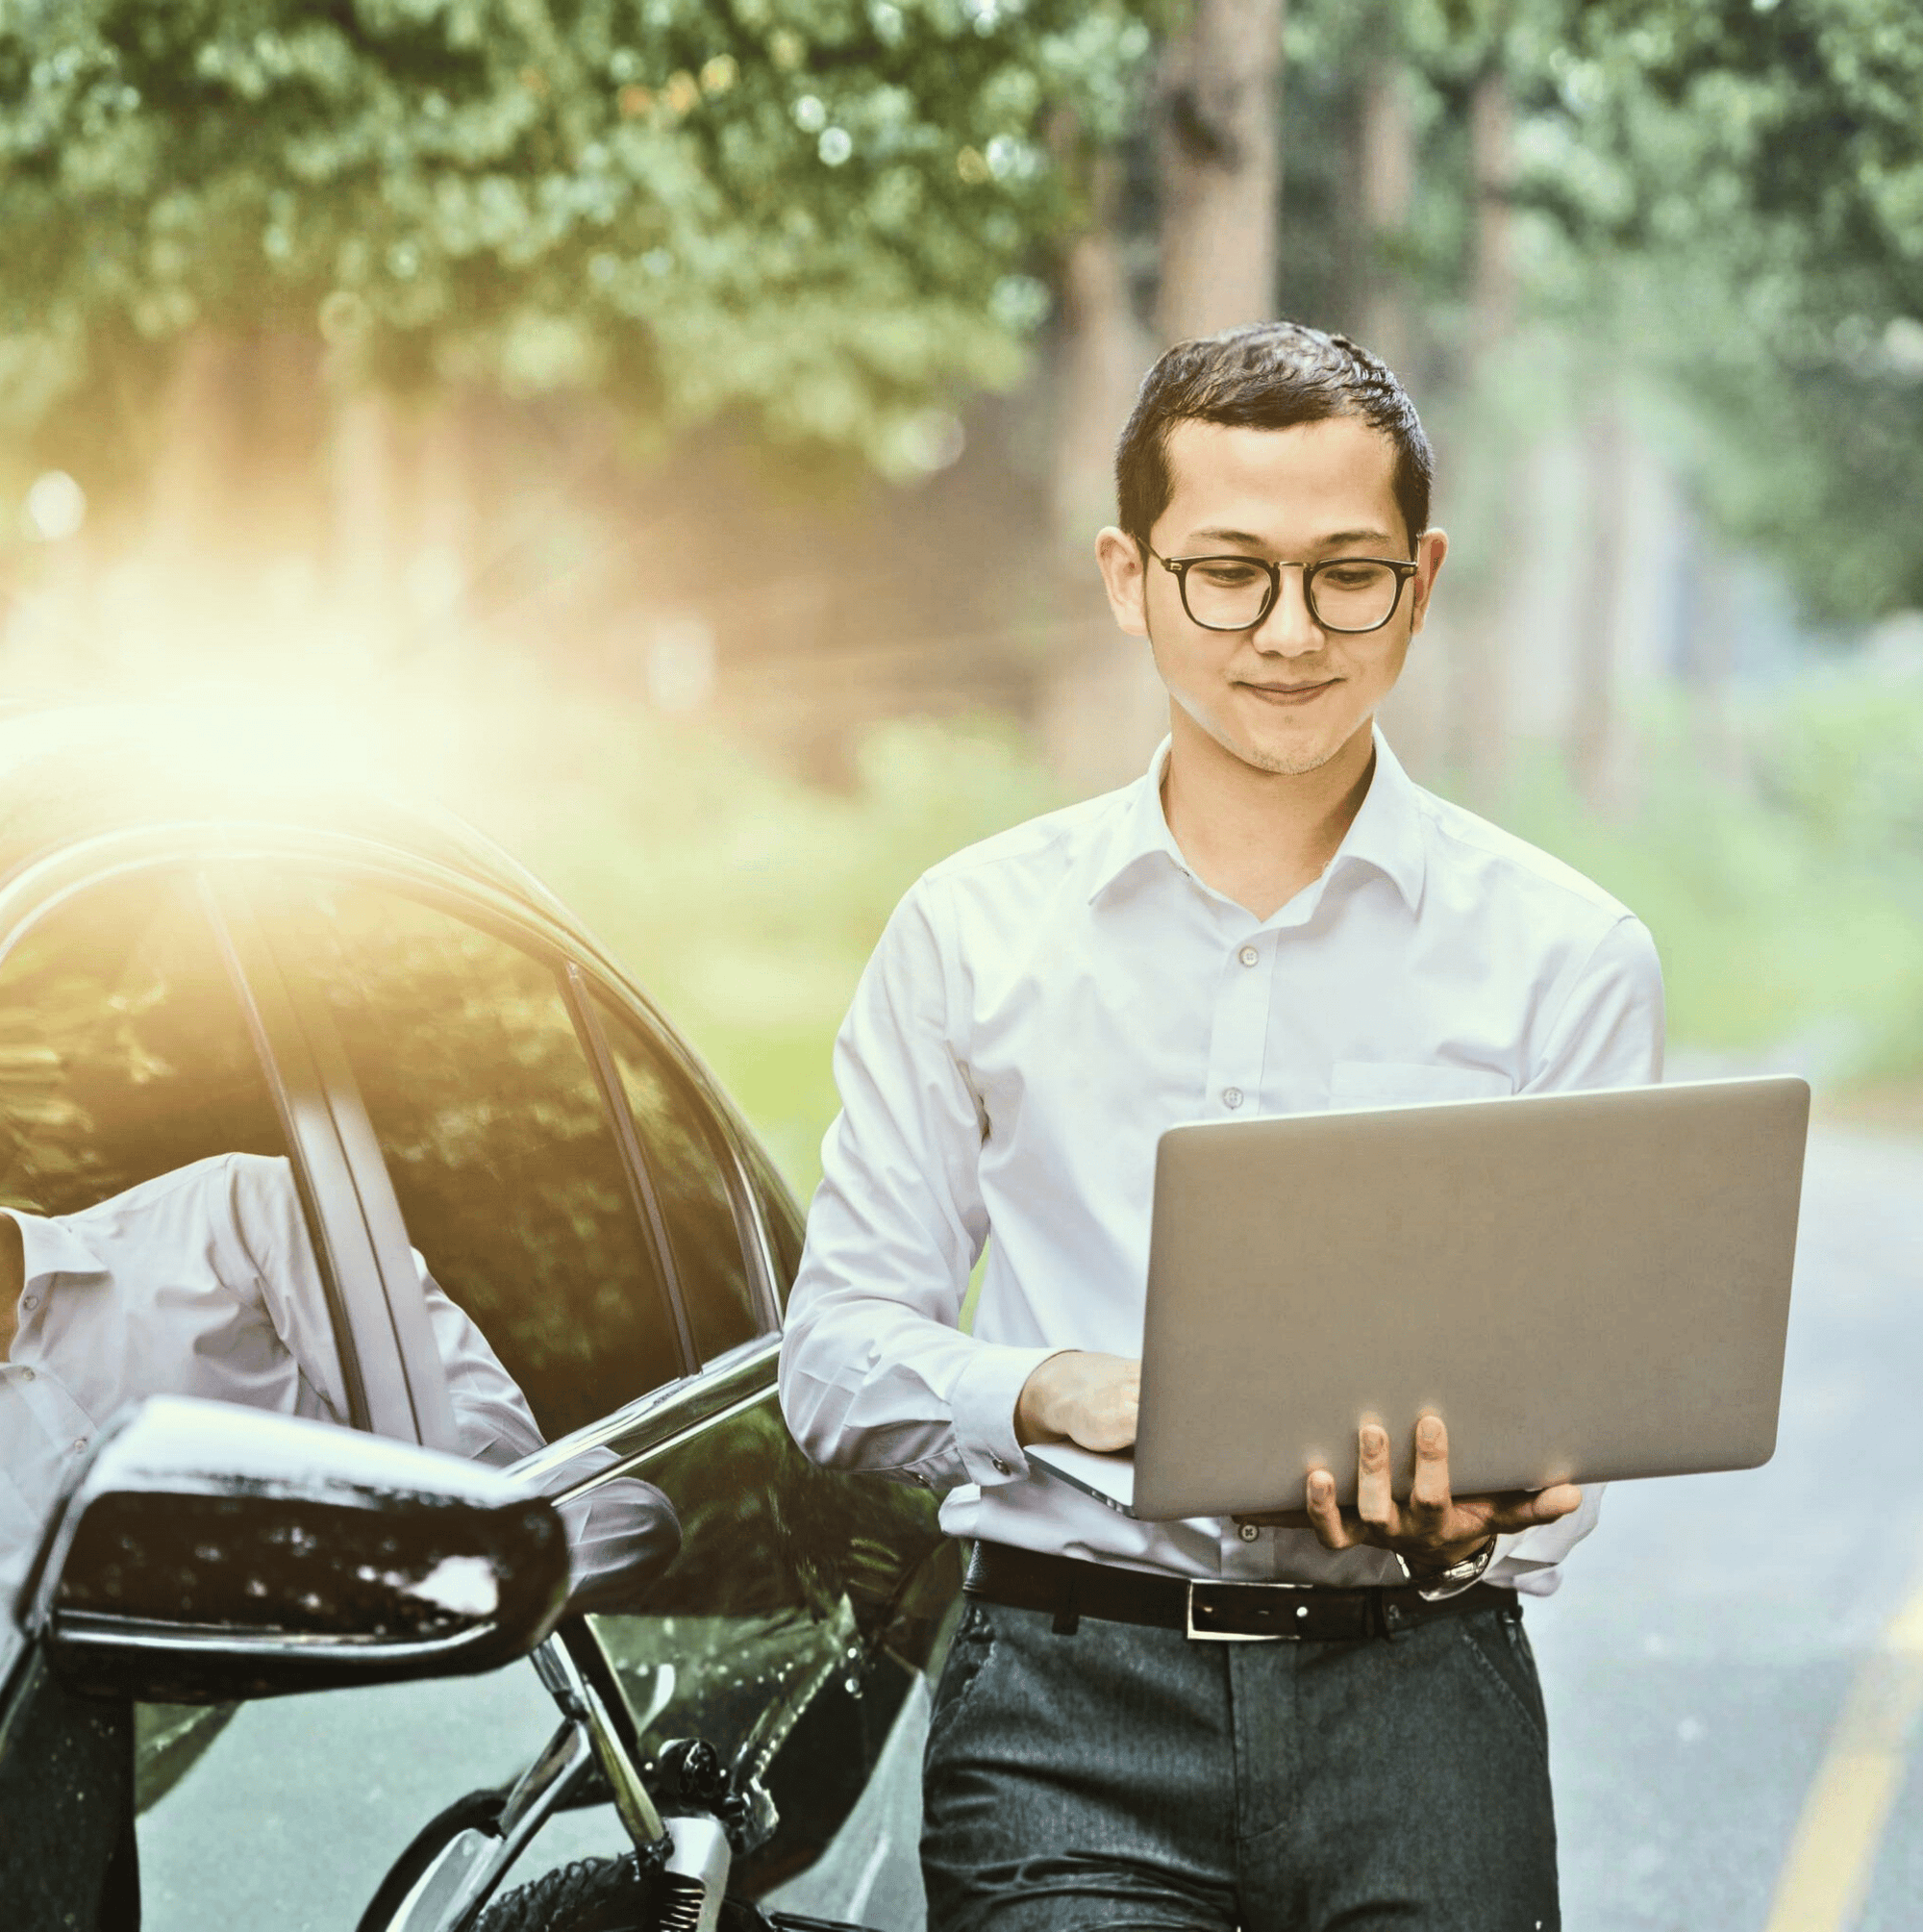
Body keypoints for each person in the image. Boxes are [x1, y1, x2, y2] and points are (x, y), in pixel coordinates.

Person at [778, 321, 1663, 1931]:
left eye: (1348, 575)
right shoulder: (971, 929)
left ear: (1423, 574)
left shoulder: (1569, 954)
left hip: (1421, 1699)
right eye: (1228, 573)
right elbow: (834, 1357)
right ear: (1129, 577)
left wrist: (1499, 1506)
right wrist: (1060, 1391)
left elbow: (1569, 1421)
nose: (1289, 633)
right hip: (1062, 1703)